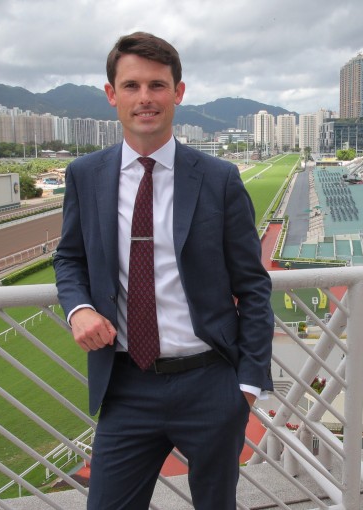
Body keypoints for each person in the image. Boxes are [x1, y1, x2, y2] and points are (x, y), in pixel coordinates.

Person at [53, 32, 274, 510]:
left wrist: (248, 386)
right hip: (127, 384)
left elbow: (254, 287)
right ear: (112, 95)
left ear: (178, 92)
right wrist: (80, 310)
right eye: (131, 86)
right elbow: (69, 257)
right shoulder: (85, 175)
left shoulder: (219, 179)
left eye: (157, 85)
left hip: (211, 383)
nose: (145, 98)